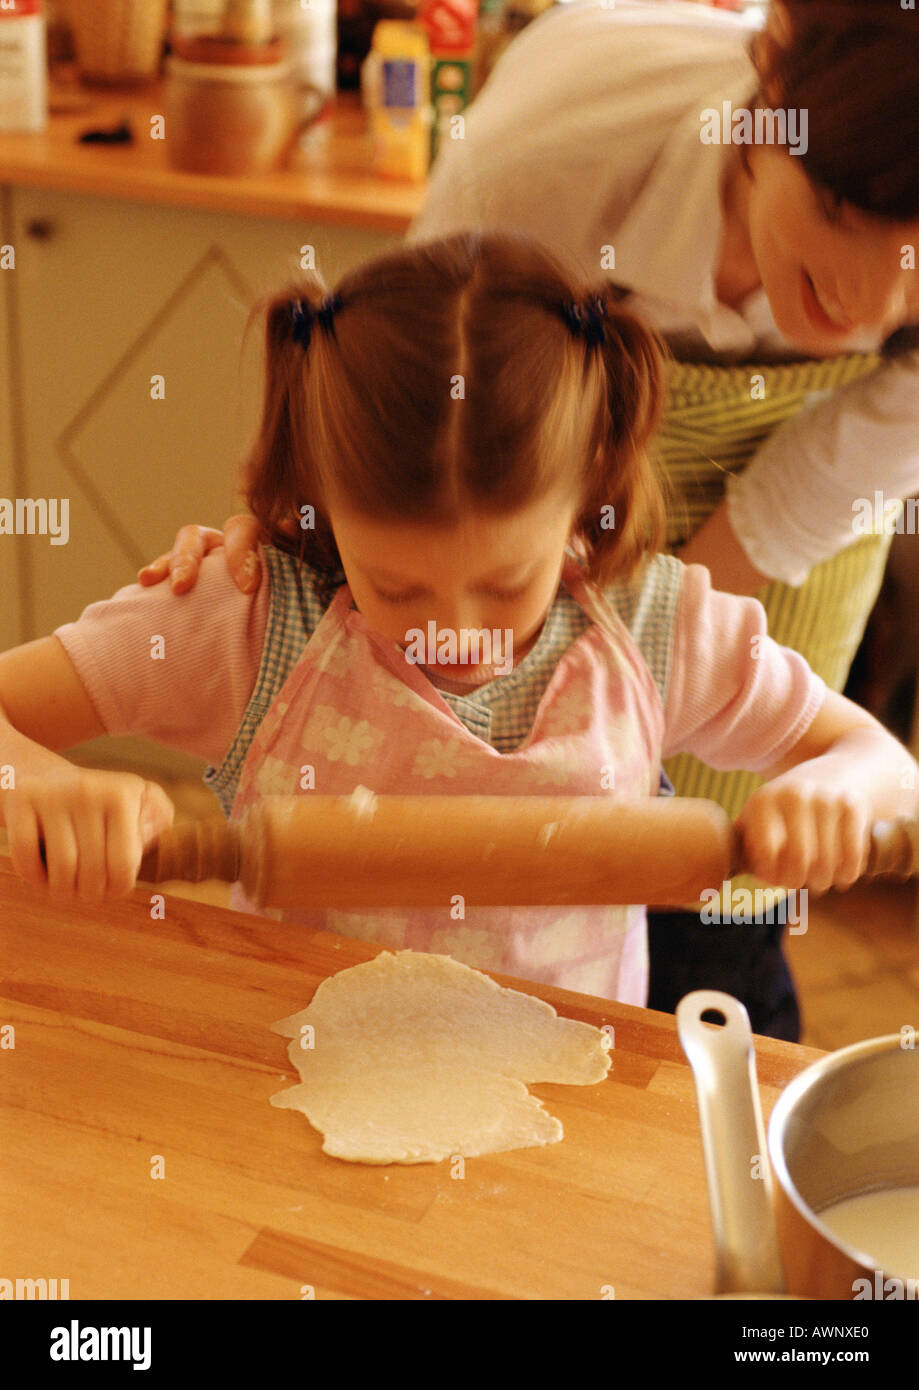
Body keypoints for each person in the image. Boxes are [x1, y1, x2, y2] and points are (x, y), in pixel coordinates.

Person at [141, 0, 919, 1039]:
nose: (867, 312)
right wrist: (296, 546)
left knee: (719, 933)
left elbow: (867, 762)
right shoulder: (552, 146)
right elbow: (408, 418)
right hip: (527, 509)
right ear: (770, 91)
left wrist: (639, 664)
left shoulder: (667, 624)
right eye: (842, 225)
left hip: (774, 529)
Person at [0, 234, 916, 1008]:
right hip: (299, 1087)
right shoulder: (245, 624)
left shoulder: (652, 629)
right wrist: (36, 787)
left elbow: (884, 767)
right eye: (396, 588)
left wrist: (840, 791)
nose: (453, 630)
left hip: (560, 1101)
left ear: (586, 491)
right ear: (322, 498)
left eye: (507, 581)